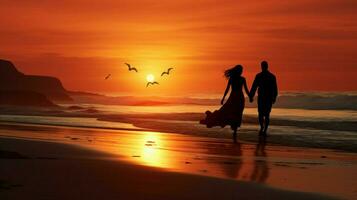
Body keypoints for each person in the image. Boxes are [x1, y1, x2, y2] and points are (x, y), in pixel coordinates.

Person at [200, 65, 250, 143]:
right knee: (225, 111)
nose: (241, 72)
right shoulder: (232, 79)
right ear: (237, 71)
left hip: (240, 99)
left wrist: (250, 96)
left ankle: (235, 131)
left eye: (242, 70)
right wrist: (223, 98)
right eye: (240, 70)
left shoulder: (242, 79)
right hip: (233, 98)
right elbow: (227, 89)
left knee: (238, 114)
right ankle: (212, 118)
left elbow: (246, 90)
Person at [249, 61, 278, 136]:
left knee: (262, 114)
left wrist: (251, 96)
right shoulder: (270, 76)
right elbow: (254, 86)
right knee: (264, 114)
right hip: (266, 97)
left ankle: (263, 128)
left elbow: (254, 87)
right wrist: (274, 97)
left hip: (264, 97)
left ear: (262, 66)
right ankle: (263, 128)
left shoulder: (265, 76)